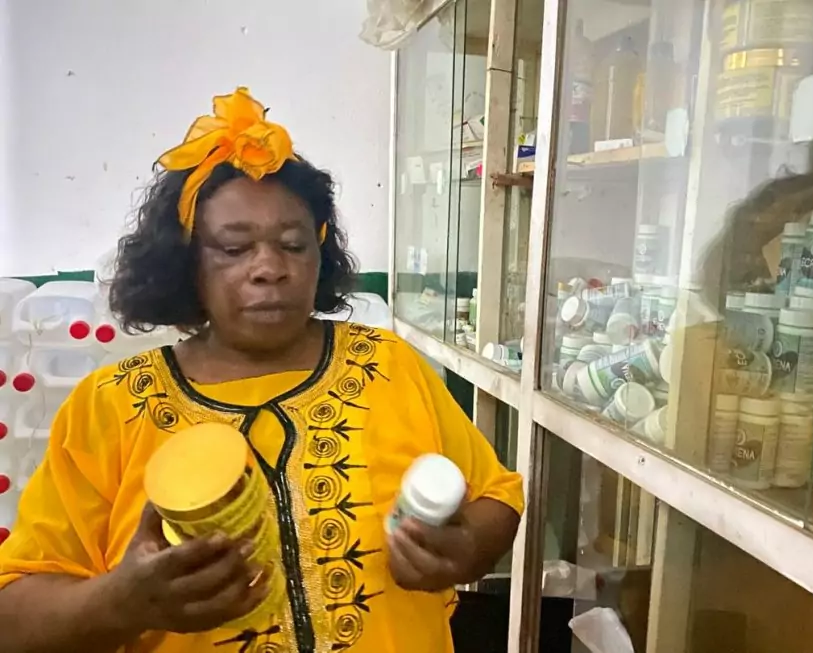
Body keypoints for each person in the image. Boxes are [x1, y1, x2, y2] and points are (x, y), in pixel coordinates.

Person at [0, 87, 523, 653]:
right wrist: (120, 601)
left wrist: (467, 546)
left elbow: (496, 496)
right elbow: (15, 617)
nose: (270, 268)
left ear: (320, 256)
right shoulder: (112, 405)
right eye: (233, 249)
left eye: (294, 245)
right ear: (188, 264)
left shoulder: (387, 366)